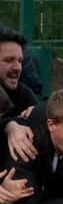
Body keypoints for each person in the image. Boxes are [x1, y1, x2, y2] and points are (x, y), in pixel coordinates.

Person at [1, 27, 38, 164]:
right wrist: (8, 125)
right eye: (9, 60)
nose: (17, 68)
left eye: (20, 61)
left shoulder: (22, 92)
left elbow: (48, 111)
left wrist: (36, 113)